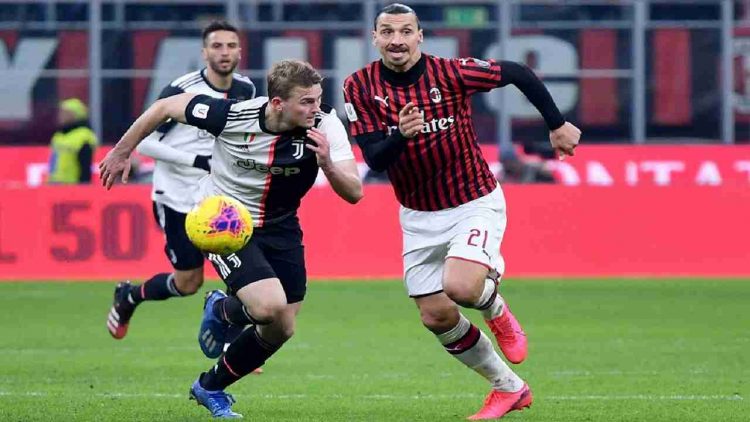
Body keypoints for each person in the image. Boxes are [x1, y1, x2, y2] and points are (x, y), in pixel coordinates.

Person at [342, 3, 580, 420]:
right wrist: (401, 135)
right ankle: (509, 388)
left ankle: (497, 311)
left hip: (473, 200)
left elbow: (518, 72)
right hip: (418, 214)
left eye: (406, 31)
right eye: (388, 32)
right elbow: (375, 159)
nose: (397, 40)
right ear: (375, 38)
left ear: (420, 36)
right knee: (435, 316)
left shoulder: (451, 73)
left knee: (462, 287)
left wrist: (556, 124)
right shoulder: (359, 86)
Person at [99, 59, 362, 418]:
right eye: (306, 102)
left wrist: (328, 164)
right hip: (225, 221)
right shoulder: (232, 115)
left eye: (318, 99)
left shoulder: (326, 126)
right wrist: (122, 150)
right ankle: (224, 309)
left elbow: (354, 192)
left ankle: (209, 384)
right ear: (277, 103)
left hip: (282, 224)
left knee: (282, 326)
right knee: (267, 307)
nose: (316, 108)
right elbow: (164, 107)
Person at [106, 20, 256, 342]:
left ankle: (238, 347)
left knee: (244, 272)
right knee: (188, 282)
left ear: (240, 51)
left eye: (231, 46)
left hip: (219, 198)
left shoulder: (246, 89)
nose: (224, 52)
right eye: (217, 46)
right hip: (176, 196)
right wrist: (196, 160)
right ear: (204, 53)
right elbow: (145, 144)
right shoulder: (181, 90)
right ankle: (130, 295)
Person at [48, 98, 98, 184]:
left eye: (65, 113)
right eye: (60, 112)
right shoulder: (58, 135)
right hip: (55, 184)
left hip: (72, 185)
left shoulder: (84, 136)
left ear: (75, 115)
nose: (61, 116)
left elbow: (85, 166)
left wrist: (83, 186)